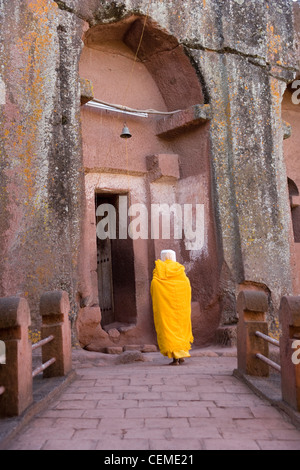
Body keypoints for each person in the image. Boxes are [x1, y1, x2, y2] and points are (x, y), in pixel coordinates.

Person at [150, 250, 194, 365]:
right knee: (181, 329)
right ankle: (182, 354)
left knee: (169, 329)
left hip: (166, 310)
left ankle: (176, 359)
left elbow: (155, 286)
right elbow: (187, 288)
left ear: (162, 257)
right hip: (181, 309)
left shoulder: (159, 273)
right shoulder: (181, 273)